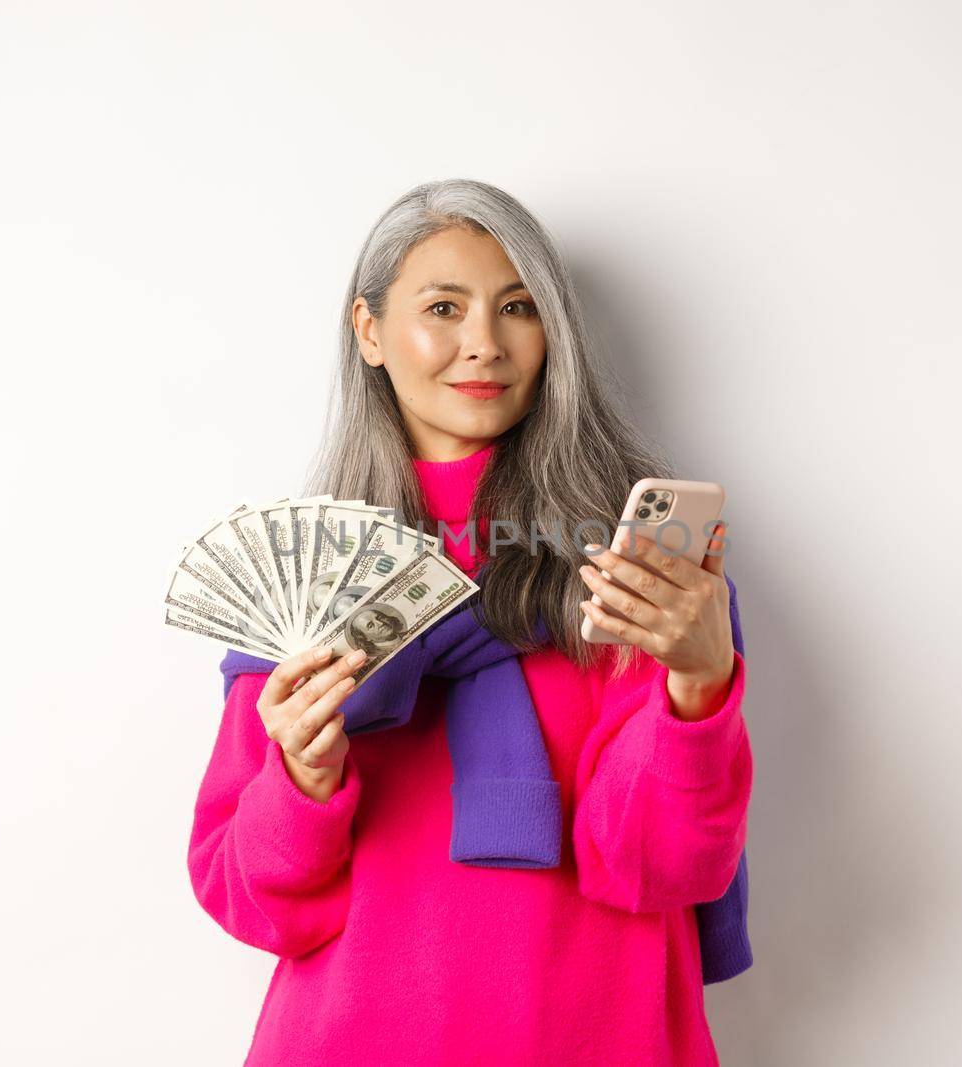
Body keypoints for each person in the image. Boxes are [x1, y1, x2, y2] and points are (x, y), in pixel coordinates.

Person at [186, 179, 751, 1066]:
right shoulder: (307, 574)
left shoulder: (630, 568)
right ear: (369, 331)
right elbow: (253, 903)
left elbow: (658, 865)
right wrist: (298, 775)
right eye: (443, 307)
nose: (483, 345)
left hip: (599, 1035)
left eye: (518, 307)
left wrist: (699, 684)